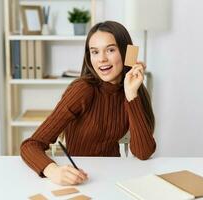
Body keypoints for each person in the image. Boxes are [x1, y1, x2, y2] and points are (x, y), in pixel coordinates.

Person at [20, 21, 156, 186]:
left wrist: (131, 95)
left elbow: (143, 152)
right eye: (95, 52)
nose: (102, 59)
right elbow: (31, 145)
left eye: (111, 50)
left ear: (127, 53)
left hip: (114, 177)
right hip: (80, 176)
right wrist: (53, 171)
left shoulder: (132, 90)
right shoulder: (83, 90)